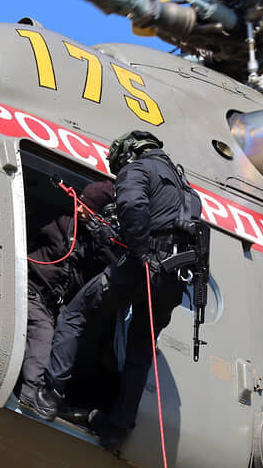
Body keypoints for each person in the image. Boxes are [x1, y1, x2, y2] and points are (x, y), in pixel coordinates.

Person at [35, 130, 201, 452]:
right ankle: (117, 429)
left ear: (130, 153)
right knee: (140, 351)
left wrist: (138, 252)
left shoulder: (137, 170)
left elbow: (131, 203)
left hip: (143, 267)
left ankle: (50, 394)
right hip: (173, 282)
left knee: (74, 313)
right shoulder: (187, 189)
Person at [18, 180, 116, 414]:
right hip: (30, 290)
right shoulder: (58, 221)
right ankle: (30, 393)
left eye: (87, 207)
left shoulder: (96, 244)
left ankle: (60, 396)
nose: (80, 208)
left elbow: (114, 271)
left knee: (72, 336)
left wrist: (103, 246)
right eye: (80, 203)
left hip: (53, 305)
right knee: (43, 332)